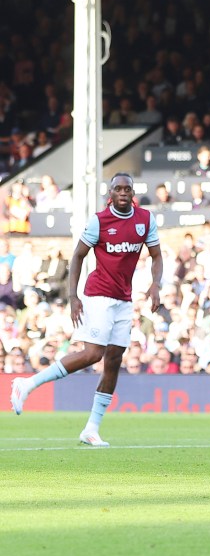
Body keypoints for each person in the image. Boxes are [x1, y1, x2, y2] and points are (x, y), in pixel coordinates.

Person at [10, 173, 162, 446]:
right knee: (94, 353)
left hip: (124, 300)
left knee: (114, 360)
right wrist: (73, 296)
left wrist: (155, 285)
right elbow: (78, 255)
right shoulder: (99, 221)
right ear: (111, 194)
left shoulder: (145, 220)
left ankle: (91, 428)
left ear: (133, 192)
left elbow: (157, 255)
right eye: (119, 189)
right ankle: (27, 384)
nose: (124, 193)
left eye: (128, 188)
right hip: (98, 295)